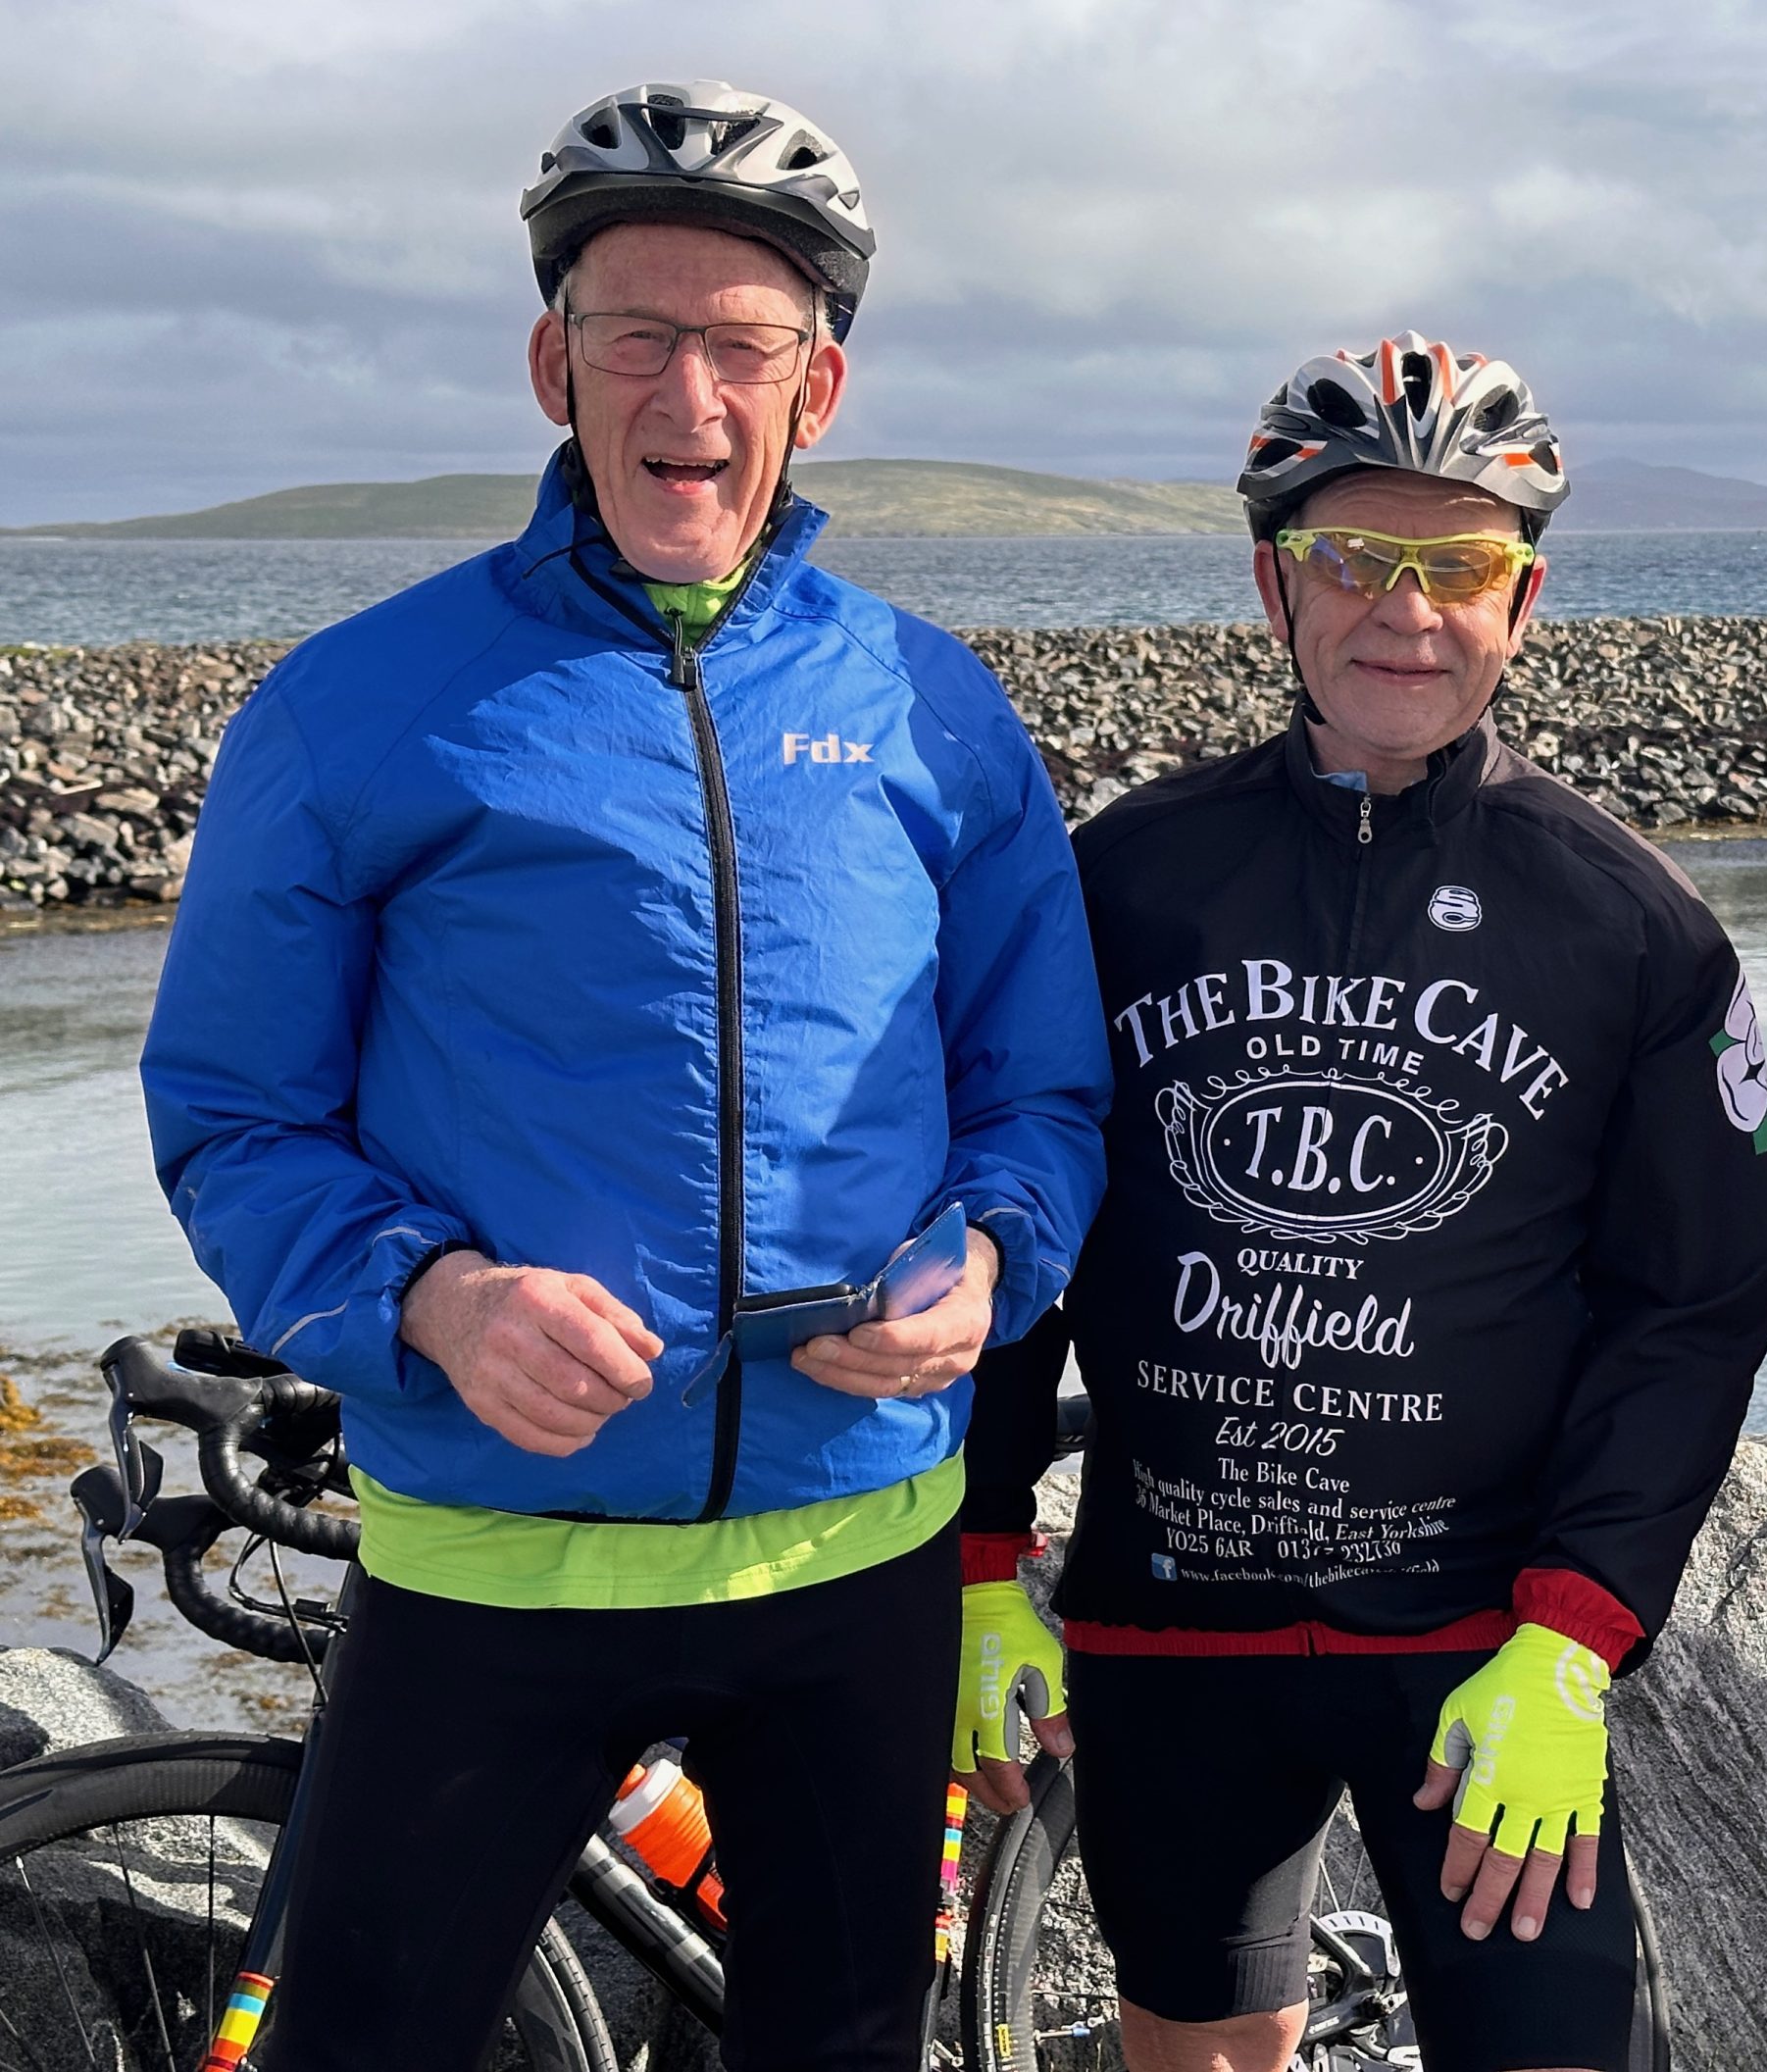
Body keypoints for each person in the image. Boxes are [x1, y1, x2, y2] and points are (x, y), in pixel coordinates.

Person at [140, 80, 1109, 2071]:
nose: (690, 390)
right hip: (488, 1564)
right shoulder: (354, 708)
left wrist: (997, 1263)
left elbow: (1043, 1096)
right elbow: (232, 1118)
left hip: (856, 1566)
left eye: (742, 343)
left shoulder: (933, 707)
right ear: (548, 364)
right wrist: (432, 1296)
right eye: (635, 333)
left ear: (814, 387)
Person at [956, 332, 1767, 2072]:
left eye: (1459, 564)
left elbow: (1695, 1307)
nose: (1405, 610)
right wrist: (976, 1540)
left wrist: (1579, 1631)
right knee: (1191, 2049)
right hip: (1173, 1631)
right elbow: (1015, 1212)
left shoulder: (1631, 921)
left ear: (1525, 595)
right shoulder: (1124, 879)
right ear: (1274, 580)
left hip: (1482, 1655)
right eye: (1354, 556)